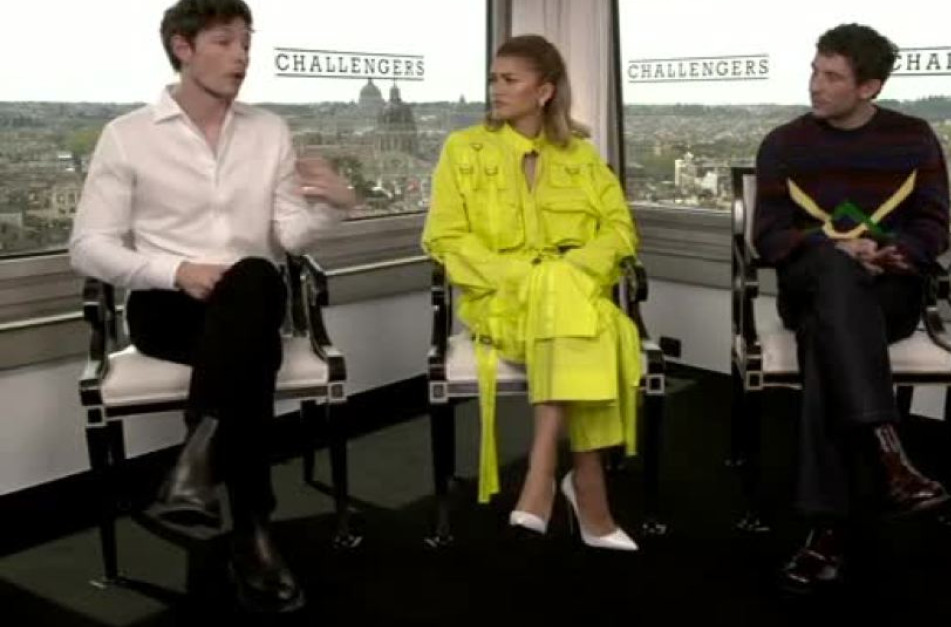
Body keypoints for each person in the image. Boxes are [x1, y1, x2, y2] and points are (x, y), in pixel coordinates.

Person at [68, 0, 356, 612]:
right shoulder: (127, 136)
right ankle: (251, 530)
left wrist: (335, 204)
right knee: (251, 343)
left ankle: (200, 464)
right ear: (183, 47)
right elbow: (87, 247)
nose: (242, 56)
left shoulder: (270, 131)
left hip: (250, 301)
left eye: (247, 43)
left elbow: (288, 237)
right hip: (168, 308)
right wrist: (177, 271)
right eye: (225, 42)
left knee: (252, 277)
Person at [752, 23, 951, 591]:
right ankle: (889, 455)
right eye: (815, 71)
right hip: (809, 284)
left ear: (870, 87)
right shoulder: (783, 144)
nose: (815, 85)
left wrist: (888, 252)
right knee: (834, 274)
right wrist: (834, 247)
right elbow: (768, 236)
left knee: (827, 336)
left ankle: (828, 530)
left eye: (832, 76)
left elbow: (933, 227)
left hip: (889, 291)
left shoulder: (913, 139)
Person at [422, 34, 641, 551]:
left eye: (509, 80)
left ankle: (541, 473)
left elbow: (620, 232)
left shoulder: (582, 157)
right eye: (493, 79)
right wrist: (532, 277)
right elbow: (445, 239)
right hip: (501, 302)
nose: (495, 89)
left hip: (570, 297)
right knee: (581, 318)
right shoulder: (463, 149)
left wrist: (569, 272)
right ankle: (584, 486)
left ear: (544, 91)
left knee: (564, 300)